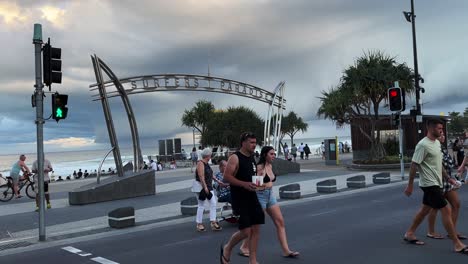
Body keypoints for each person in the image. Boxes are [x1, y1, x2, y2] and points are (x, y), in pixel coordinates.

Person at [403, 118, 468, 254]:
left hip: (437, 182)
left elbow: (438, 165)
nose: (441, 130)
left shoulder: (436, 144)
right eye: (439, 128)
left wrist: (448, 178)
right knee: (446, 210)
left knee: (424, 210)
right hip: (428, 183)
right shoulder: (423, 145)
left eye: (442, 128)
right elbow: (414, 165)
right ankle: (456, 243)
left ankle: (410, 233)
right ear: (431, 128)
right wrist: (410, 185)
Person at [239, 146, 299, 258]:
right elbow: (255, 187)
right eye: (271, 154)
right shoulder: (259, 168)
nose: (274, 156)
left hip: (270, 195)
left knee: (280, 222)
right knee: (255, 226)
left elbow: (271, 181)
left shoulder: (270, 165)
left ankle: (286, 250)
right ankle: (244, 246)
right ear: (264, 155)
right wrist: (260, 183)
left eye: (274, 154)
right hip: (260, 196)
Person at [221, 132, 264, 264]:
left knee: (256, 229)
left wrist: (259, 183)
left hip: (253, 197)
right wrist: (244, 184)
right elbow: (226, 177)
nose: (254, 144)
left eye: (255, 142)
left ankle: (253, 260)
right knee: (246, 231)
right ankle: (227, 247)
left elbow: (250, 176)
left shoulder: (252, 157)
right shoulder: (235, 157)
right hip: (240, 199)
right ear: (243, 143)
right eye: (251, 142)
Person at [426, 131, 466, 240]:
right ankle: (431, 231)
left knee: (456, 204)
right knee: (434, 207)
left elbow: (448, 165)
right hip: (438, 182)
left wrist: (454, 178)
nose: (443, 136)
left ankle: (452, 231)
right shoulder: (433, 148)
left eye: (443, 134)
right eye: (441, 135)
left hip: (447, 181)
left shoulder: (442, 148)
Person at [195, 148, 222, 232]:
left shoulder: (206, 164)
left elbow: (211, 174)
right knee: (201, 205)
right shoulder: (200, 163)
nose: (211, 156)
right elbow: (201, 176)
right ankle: (199, 224)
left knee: (213, 203)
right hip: (201, 188)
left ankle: (213, 222)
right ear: (208, 155)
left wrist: (218, 181)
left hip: (208, 187)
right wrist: (205, 187)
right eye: (210, 154)